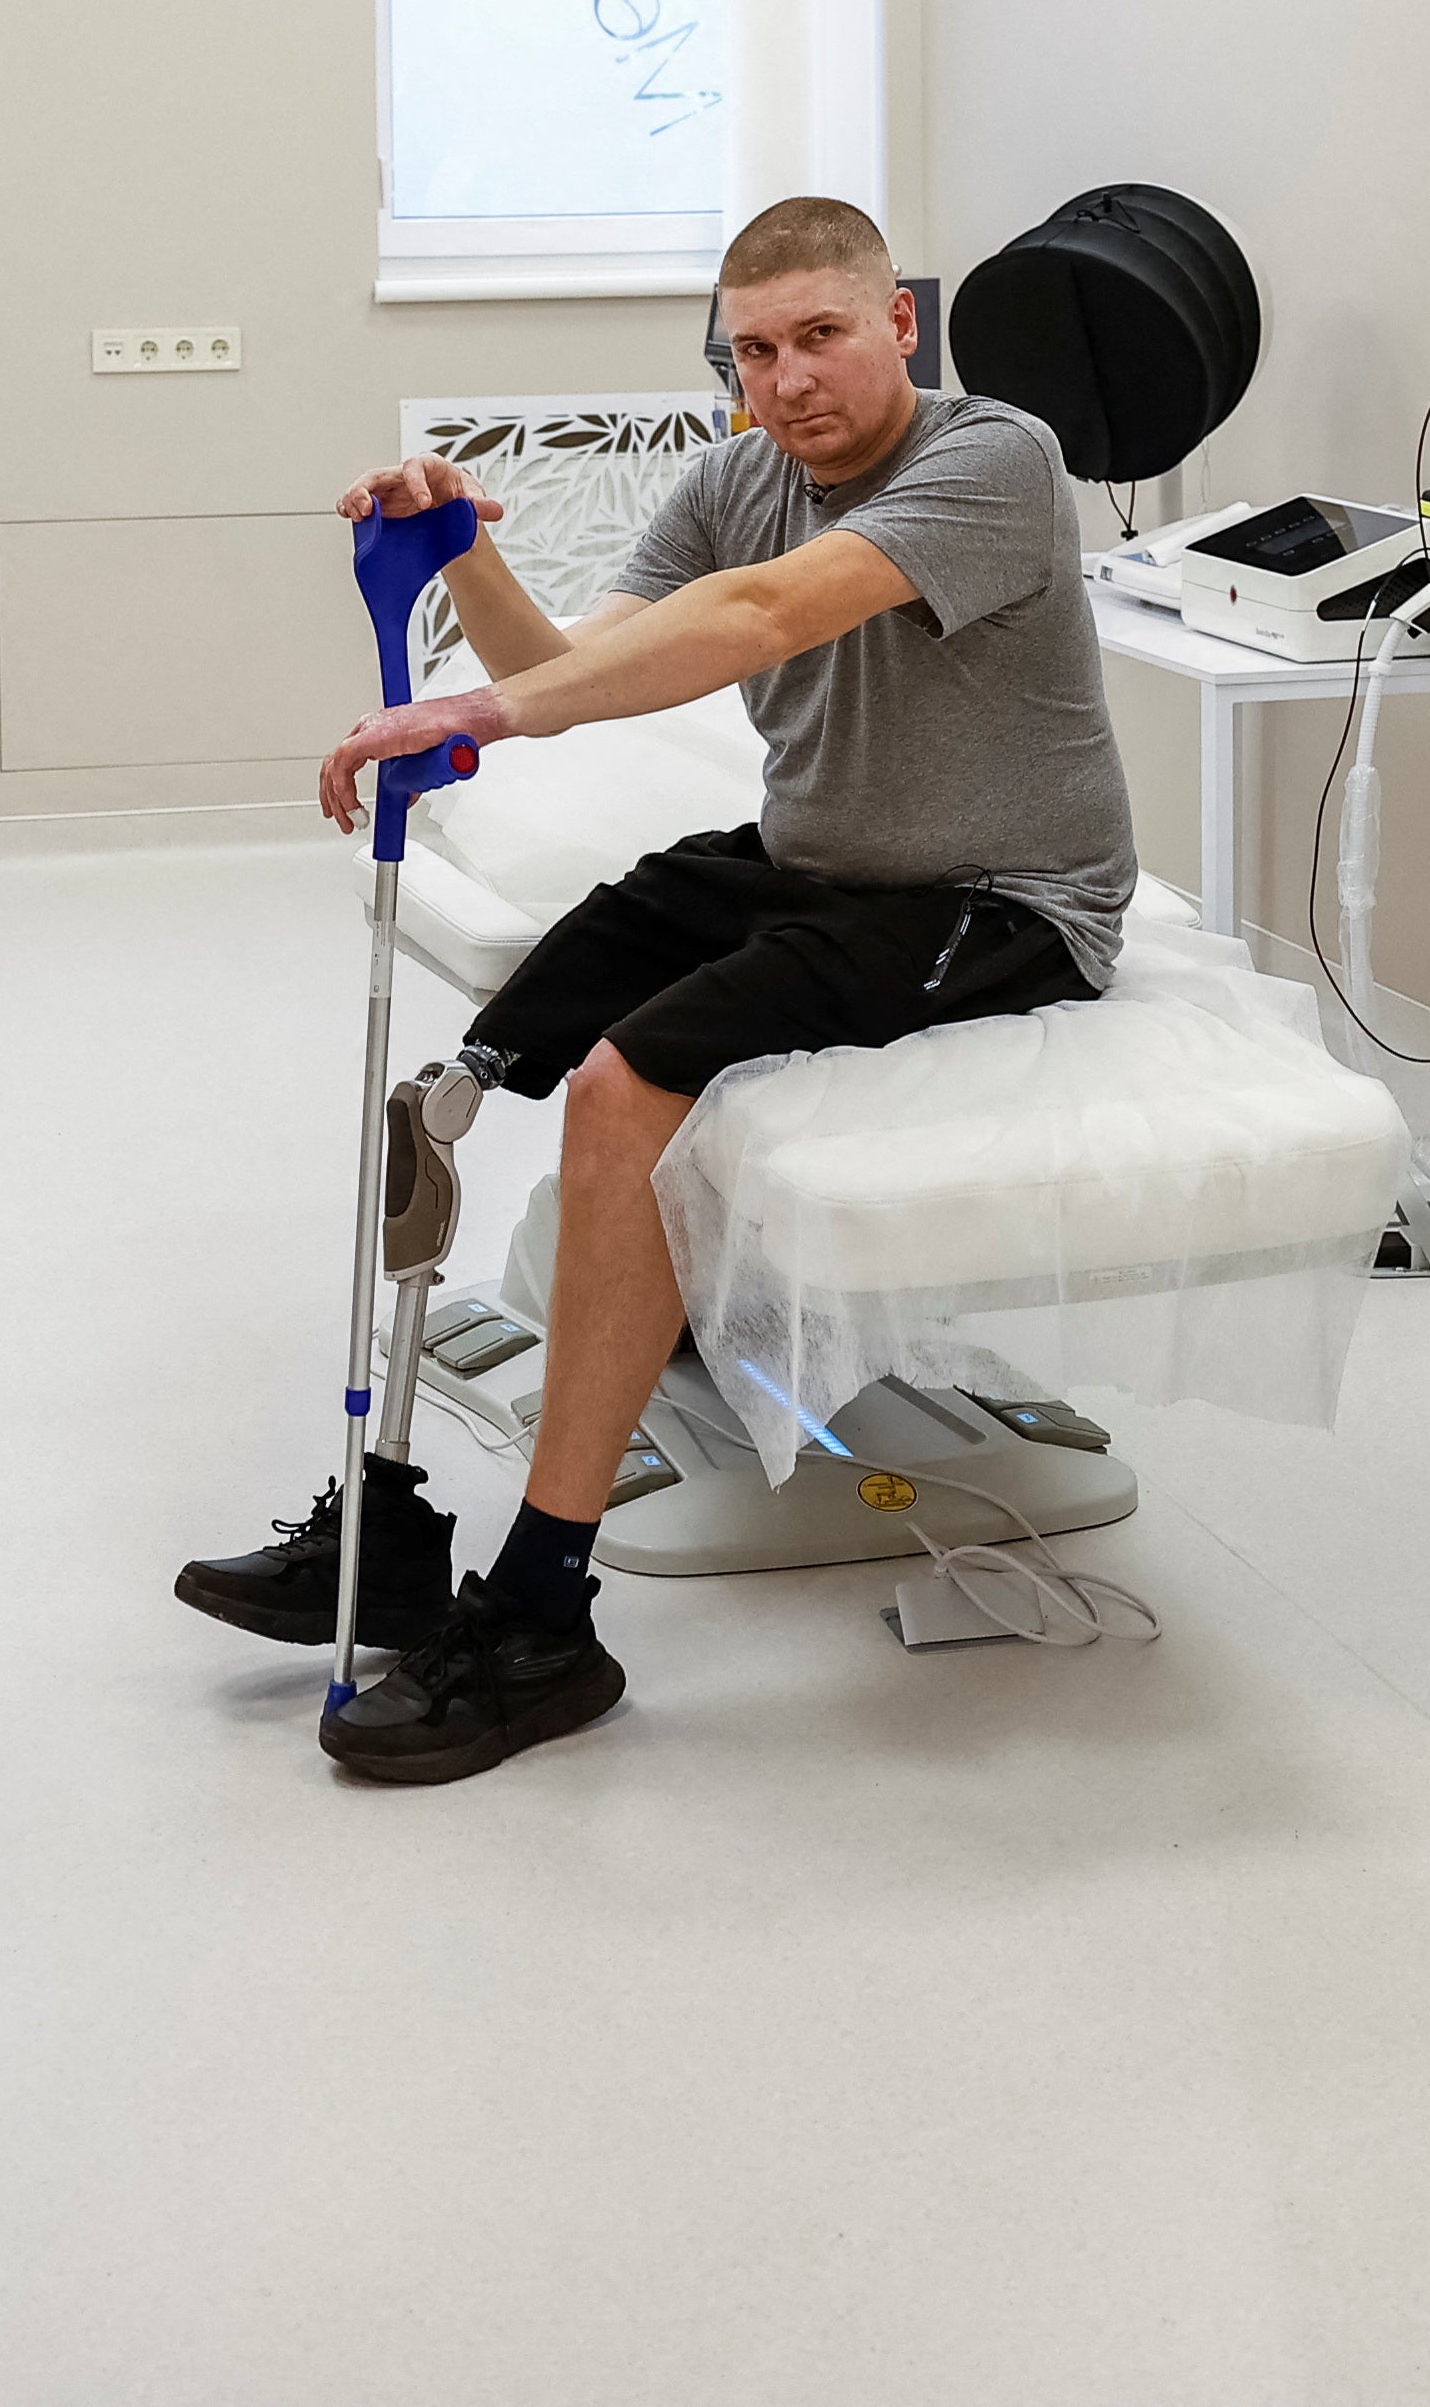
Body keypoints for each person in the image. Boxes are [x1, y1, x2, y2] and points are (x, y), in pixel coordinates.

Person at [180, 195, 1139, 1783]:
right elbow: (581, 660)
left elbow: (759, 617)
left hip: (998, 897)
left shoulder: (997, 460)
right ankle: (394, 1523)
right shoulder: (737, 475)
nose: (786, 380)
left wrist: (470, 704)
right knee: (501, 1037)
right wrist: (464, 553)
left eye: (821, 335)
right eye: (753, 351)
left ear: (899, 323)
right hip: (814, 855)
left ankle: (549, 1608)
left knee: (633, 1081)